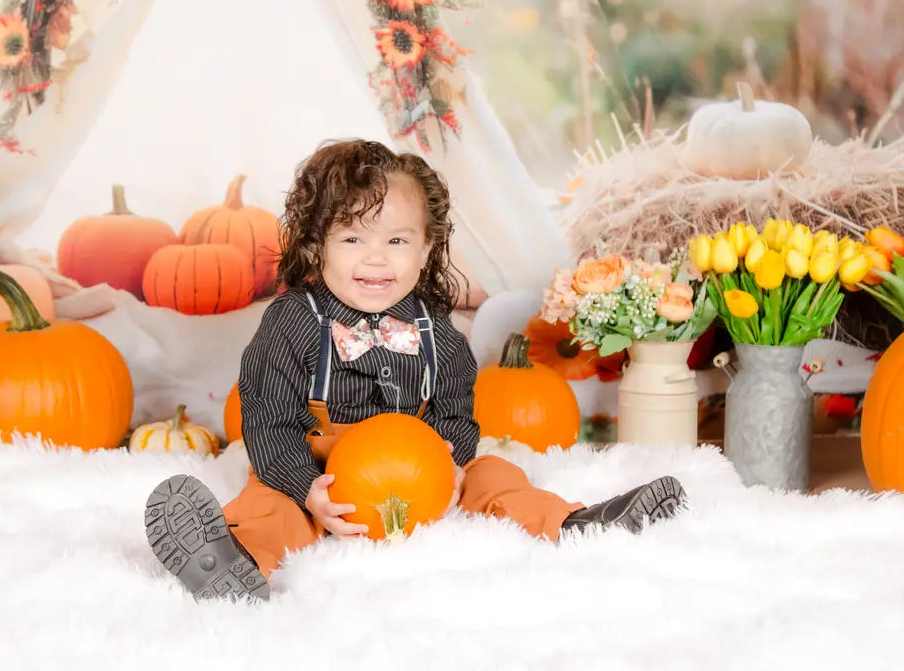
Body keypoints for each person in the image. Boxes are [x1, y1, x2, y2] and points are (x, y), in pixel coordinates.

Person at [144, 140, 686, 601]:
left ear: (426, 250)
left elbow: (456, 410)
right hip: (321, 471)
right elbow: (268, 420)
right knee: (271, 505)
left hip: (417, 475)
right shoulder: (291, 322)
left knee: (498, 476)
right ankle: (233, 562)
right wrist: (307, 490)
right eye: (352, 239)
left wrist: (451, 462)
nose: (376, 258)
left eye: (397, 240)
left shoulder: (435, 328)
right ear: (315, 248)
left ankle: (577, 525)